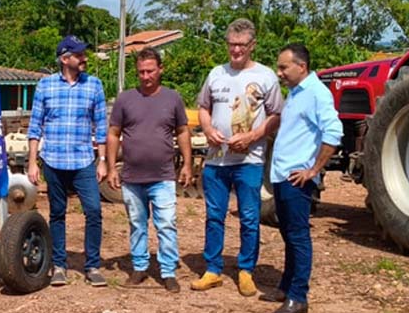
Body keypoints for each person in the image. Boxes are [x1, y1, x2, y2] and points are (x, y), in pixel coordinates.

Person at [191, 18, 283, 296]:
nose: (236, 50)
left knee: (249, 217)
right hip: (216, 160)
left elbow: (276, 115)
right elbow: (203, 107)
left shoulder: (266, 76)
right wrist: (208, 129)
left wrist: (252, 137)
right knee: (214, 216)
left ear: (252, 45)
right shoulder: (216, 74)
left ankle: (246, 270)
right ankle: (213, 269)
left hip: (249, 161)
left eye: (241, 45)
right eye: (231, 44)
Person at [106, 47, 192, 292]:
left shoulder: (172, 98)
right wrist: (111, 168)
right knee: (137, 224)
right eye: (141, 72)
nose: (146, 76)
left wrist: (187, 164)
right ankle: (140, 267)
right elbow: (113, 134)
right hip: (132, 178)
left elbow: (182, 131)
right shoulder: (125, 99)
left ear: (160, 70)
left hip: (163, 176)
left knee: (166, 224)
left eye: (150, 71)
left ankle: (168, 271)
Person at [266, 43, 343, 313]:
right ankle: (286, 286)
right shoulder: (296, 92)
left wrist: (313, 170)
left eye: (284, 67)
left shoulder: (316, 93)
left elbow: (333, 132)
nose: (279, 73)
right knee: (288, 233)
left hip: (297, 179)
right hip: (282, 175)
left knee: (298, 235)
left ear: (301, 66)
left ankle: (298, 296)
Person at [27, 35, 108, 287]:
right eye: (79, 55)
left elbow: (101, 127)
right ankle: (59, 265)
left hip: (83, 161)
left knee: (94, 211)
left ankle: (92, 265)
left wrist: (102, 160)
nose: (84, 58)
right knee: (57, 214)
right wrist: (32, 162)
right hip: (53, 160)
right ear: (65, 59)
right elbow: (35, 126)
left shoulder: (94, 85)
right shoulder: (45, 86)